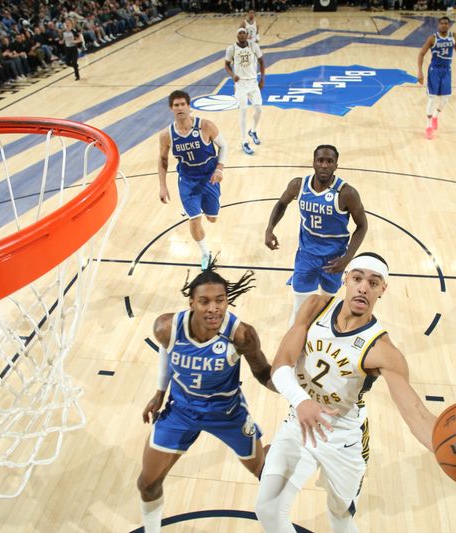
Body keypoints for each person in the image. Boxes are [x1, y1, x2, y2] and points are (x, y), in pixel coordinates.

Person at [255, 253, 456, 532]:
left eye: (373, 283)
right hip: (300, 423)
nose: (364, 287)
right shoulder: (315, 307)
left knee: (340, 517)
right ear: (346, 280)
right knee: (268, 509)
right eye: (357, 278)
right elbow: (280, 366)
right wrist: (302, 402)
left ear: (382, 290)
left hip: (343, 437)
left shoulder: (383, 351)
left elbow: (415, 413)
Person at [136, 262, 274, 533]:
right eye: (205, 301)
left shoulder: (241, 334)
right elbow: (167, 349)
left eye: (220, 301)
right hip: (181, 411)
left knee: (264, 473)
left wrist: (301, 394)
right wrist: (159, 393)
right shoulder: (166, 327)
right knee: (147, 483)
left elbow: (263, 373)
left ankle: (275, 450)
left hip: (227, 413)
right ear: (191, 303)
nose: (213, 308)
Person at [264, 145, 368, 326]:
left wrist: (347, 258)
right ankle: (296, 349)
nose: (325, 165)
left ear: (336, 165)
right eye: (320, 160)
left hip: (333, 260)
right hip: (306, 255)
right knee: (299, 308)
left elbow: (362, 226)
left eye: (330, 161)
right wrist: (269, 228)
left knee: (326, 307)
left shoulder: (346, 193)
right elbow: (281, 203)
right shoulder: (298, 185)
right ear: (313, 163)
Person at [158, 90, 227, 270]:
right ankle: (205, 254)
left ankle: (201, 206)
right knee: (195, 220)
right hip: (187, 180)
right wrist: (163, 186)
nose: (180, 108)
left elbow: (224, 146)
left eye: (182, 104)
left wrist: (219, 168)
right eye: (176, 105)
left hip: (209, 178)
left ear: (189, 106)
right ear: (171, 109)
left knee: (212, 219)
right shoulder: (167, 135)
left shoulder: (205, 126)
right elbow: (163, 160)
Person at [416, 16, 456, 140]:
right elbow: (421, 53)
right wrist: (420, 72)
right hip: (434, 70)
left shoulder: (454, 36)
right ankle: (428, 127)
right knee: (432, 99)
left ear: (449, 25)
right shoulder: (432, 38)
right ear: (438, 25)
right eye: (442, 23)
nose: (444, 25)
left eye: (446, 23)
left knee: (445, 100)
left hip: (446, 71)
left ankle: (436, 116)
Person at [224, 27, 265, 156]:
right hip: (240, 83)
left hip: (253, 82)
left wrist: (262, 78)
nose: (242, 35)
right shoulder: (232, 49)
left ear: (247, 35)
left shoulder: (254, 46)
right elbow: (226, 64)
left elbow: (262, 62)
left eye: (243, 33)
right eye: (239, 33)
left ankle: (252, 131)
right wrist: (232, 75)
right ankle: (244, 142)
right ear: (237, 36)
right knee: (243, 111)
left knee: (258, 109)